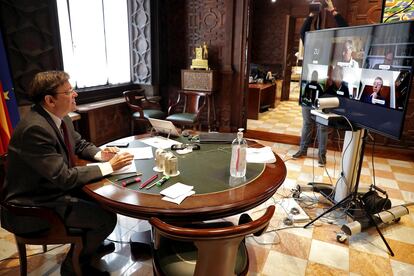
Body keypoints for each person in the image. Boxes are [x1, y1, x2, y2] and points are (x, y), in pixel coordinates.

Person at [0, 71, 134, 275]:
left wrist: (102, 155)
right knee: (106, 219)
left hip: (47, 189)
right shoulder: (35, 129)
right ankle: (74, 265)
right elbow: (63, 178)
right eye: (69, 91)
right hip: (31, 206)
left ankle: (92, 245)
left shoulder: (61, 118)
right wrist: (111, 167)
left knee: (103, 201)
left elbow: (79, 144)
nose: (75, 94)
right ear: (50, 100)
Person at [293, 0, 349, 166]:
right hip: (309, 90)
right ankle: (303, 149)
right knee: (307, 123)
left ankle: (321, 156)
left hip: (326, 92)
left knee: (322, 126)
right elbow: (303, 31)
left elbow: (345, 28)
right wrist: (311, 14)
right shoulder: (310, 44)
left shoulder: (334, 47)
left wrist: (332, 10)